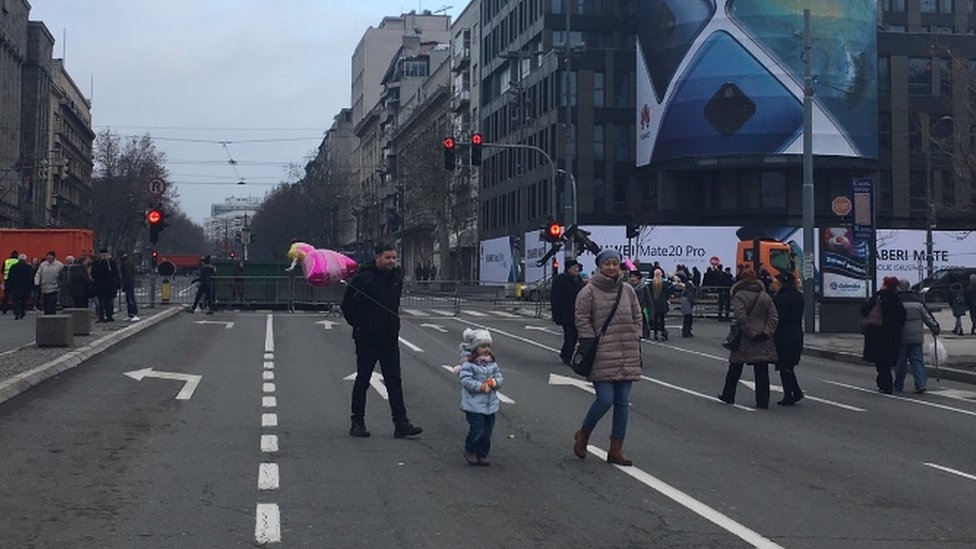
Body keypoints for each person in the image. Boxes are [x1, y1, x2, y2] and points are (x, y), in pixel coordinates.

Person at [341, 243, 422, 439]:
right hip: (367, 338)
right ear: (377, 258)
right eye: (388, 258)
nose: (392, 262)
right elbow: (347, 306)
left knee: (395, 381)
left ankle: (401, 422)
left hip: (390, 338)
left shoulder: (396, 278)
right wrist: (360, 325)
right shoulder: (363, 279)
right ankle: (357, 422)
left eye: (394, 258)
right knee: (363, 380)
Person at [572, 249, 642, 466]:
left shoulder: (627, 290)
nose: (612, 267)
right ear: (599, 266)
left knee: (622, 403)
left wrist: (636, 334)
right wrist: (591, 339)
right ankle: (584, 433)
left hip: (627, 351)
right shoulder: (589, 291)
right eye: (607, 264)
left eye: (615, 263)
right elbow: (581, 318)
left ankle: (616, 448)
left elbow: (637, 315)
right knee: (605, 399)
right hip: (601, 353)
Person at [717, 269, 779, 409]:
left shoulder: (739, 295)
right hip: (763, 337)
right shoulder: (764, 296)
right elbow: (773, 316)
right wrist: (766, 332)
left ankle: (728, 394)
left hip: (745, 337)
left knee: (735, 367)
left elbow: (740, 317)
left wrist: (750, 332)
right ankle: (762, 401)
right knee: (762, 370)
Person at [457, 328, 504, 466]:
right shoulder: (469, 364)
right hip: (474, 404)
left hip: (490, 404)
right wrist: (480, 386)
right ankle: (470, 450)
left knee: (487, 431)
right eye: (483, 346)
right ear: (475, 348)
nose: (486, 349)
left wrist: (494, 382)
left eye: (488, 346)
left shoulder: (492, 363)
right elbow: (465, 381)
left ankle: (482, 453)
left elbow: (499, 377)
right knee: (477, 428)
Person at [861, 277, 907, 394]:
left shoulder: (878, 297)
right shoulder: (898, 299)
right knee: (887, 360)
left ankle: (885, 384)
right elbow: (903, 317)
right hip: (893, 335)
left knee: (880, 361)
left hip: (877, 333)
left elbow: (864, 310)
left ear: (885, 285)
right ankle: (885, 383)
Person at [895, 279, 939, 394]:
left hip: (901, 335)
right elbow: (927, 318)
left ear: (898, 287)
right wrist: (934, 328)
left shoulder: (896, 300)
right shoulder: (917, 301)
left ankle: (898, 385)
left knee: (900, 361)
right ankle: (920, 384)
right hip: (916, 335)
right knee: (917, 360)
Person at [772, 273, 804, 405]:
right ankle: (795, 392)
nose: (775, 284)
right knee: (788, 365)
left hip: (784, 334)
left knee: (784, 365)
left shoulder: (782, 297)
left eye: (776, 282)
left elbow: (780, 316)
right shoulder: (798, 296)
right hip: (796, 332)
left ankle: (790, 395)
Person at [551, 259, 585, 364]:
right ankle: (567, 357)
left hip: (578, 313)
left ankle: (564, 353)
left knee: (575, 337)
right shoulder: (560, 279)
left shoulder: (578, 279)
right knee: (570, 336)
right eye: (574, 267)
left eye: (577, 267)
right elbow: (555, 298)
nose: (576, 269)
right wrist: (556, 315)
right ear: (568, 268)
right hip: (565, 313)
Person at [91, 249, 120, 322]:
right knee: (101, 302)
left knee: (109, 302)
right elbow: (93, 273)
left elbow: (115, 274)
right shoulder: (97, 263)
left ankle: (109, 316)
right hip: (100, 286)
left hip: (109, 286)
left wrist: (116, 284)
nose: (103, 256)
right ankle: (102, 316)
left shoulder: (111, 263)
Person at [34, 251, 65, 315]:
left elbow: (63, 275)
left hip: (54, 287)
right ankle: (47, 316)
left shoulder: (59, 265)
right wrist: (36, 282)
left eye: (50, 257)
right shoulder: (43, 265)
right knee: (46, 305)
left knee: (52, 304)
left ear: (54, 257)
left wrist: (60, 283)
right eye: (47, 257)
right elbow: (38, 274)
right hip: (44, 287)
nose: (49, 259)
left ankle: (52, 317)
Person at [648, 268, 674, 341]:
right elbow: (668, 292)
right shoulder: (664, 283)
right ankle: (662, 332)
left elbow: (649, 293)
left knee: (655, 319)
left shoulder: (651, 283)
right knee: (662, 319)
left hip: (654, 303)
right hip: (662, 303)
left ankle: (655, 333)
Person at [627, 269, 652, 339]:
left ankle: (644, 334)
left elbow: (648, 300)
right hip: (630, 308)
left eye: (634, 276)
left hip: (642, 308)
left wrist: (650, 311)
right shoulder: (627, 287)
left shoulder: (643, 287)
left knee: (643, 323)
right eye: (631, 277)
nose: (632, 278)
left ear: (638, 277)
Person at [6, 254, 33, 320]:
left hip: (15, 287)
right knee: (23, 301)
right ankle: (22, 312)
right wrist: (30, 288)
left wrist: (9, 287)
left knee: (15, 301)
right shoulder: (28, 268)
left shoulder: (13, 267)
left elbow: (10, 278)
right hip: (25, 288)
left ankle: (16, 313)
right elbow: (30, 278)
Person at [119, 252, 139, 321]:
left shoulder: (126, 264)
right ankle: (131, 314)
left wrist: (125, 283)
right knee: (129, 298)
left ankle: (134, 314)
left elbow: (127, 275)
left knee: (130, 299)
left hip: (128, 283)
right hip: (129, 283)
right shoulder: (127, 262)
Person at [1, 250, 18, 314]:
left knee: (6, 296)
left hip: (7, 280)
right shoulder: (18, 262)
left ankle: (4, 310)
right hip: (15, 282)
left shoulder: (6, 261)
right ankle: (15, 310)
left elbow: (2, 270)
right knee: (15, 296)